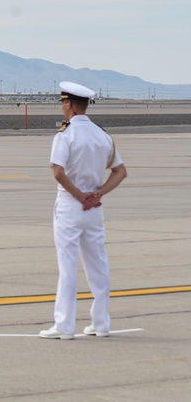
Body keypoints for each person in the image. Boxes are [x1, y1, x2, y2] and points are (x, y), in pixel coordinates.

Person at [39, 81, 127, 340]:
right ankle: (101, 322)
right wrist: (97, 193)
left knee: (68, 267)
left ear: (68, 104)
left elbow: (58, 171)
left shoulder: (65, 135)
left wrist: (79, 196)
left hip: (70, 205)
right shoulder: (103, 135)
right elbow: (120, 171)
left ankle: (64, 325)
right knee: (98, 264)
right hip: (94, 208)